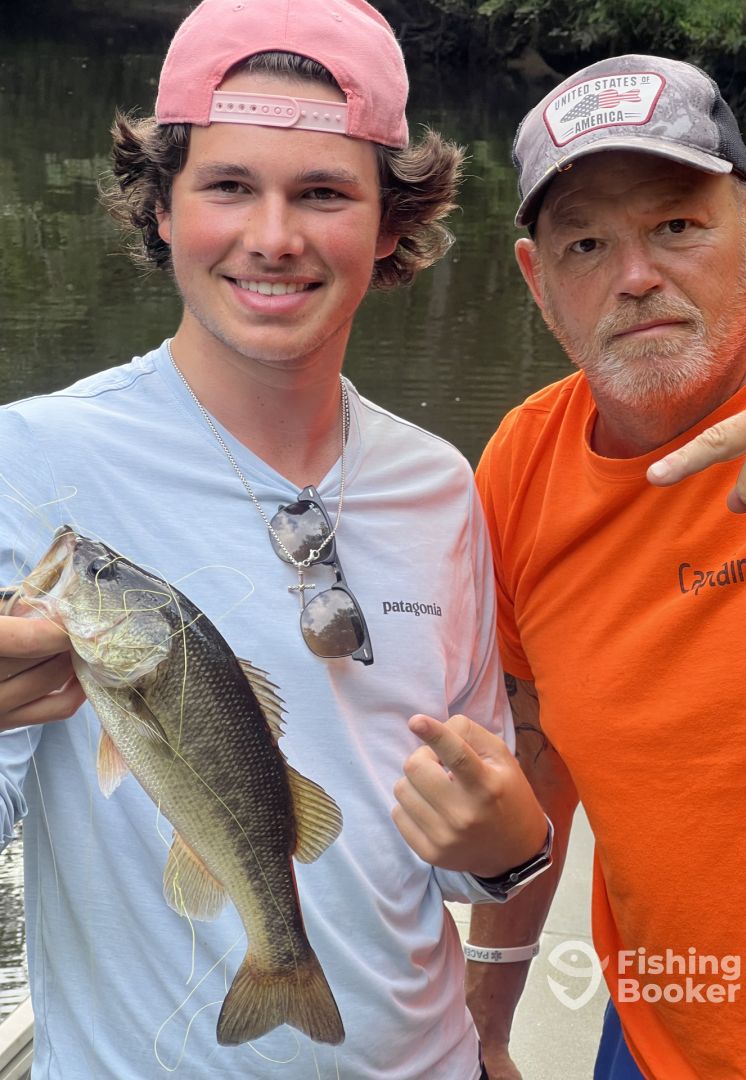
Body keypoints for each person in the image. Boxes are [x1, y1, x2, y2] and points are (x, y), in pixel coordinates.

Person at [0, 1, 550, 1076]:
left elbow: (452, 844)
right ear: (161, 206)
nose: (273, 236)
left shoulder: (439, 485)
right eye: (228, 186)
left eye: (324, 193)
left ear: (390, 225)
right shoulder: (27, 460)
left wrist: (509, 851)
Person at [465, 54, 746, 1080]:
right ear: (539, 283)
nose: (636, 277)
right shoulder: (521, 470)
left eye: (676, 226)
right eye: (586, 243)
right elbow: (538, 761)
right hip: (660, 1031)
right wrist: (487, 1019)